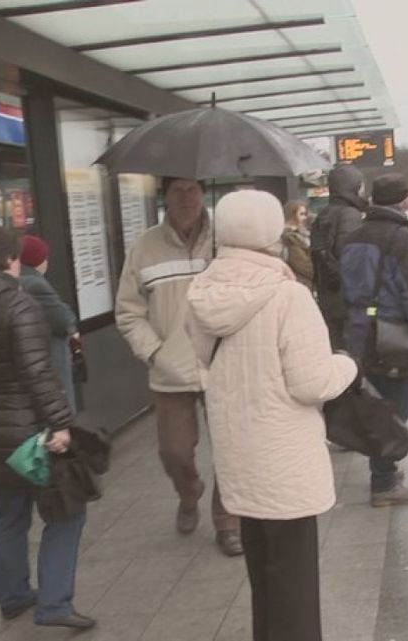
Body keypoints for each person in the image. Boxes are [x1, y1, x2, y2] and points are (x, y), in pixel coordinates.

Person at [186, 190, 357, 641]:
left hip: (239, 455)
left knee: (265, 579)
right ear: (269, 233)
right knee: (296, 589)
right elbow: (312, 384)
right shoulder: (288, 297)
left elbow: (205, 358)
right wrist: (347, 362)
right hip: (284, 462)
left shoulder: (202, 291)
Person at [0, 227, 93, 630]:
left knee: (9, 515)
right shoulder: (17, 304)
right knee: (66, 512)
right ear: (12, 260)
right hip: (27, 427)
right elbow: (37, 371)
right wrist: (60, 423)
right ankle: (55, 603)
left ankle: (12, 596)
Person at [115, 176, 241, 556]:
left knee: (231, 450)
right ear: (165, 196)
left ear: (204, 194)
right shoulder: (144, 247)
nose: (186, 198)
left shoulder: (226, 241)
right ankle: (189, 493)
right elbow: (128, 312)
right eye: (177, 190)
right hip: (171, 372)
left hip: (222, 366)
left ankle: (228, 522)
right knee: (174, 451)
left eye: (193, 190)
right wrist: (155, 353)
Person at [340, 174, 408, 507]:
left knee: (373, 403)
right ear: (404, 200)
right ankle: (383, 481)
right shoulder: (403, 240)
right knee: (394, 410)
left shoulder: (353, 238)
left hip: (358, 335)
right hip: (391, 338)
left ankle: (384, 470)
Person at [19, 234, 79, 411]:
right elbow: (64, 319)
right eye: (45, 257)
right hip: (49, 361)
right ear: (37, 261)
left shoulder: (15, 282)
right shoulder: (36, 284)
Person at [311, 164, 367, 349]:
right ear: (352, 187)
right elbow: (353, 260)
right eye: (360, 186)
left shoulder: (323, 215)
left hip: (328, 297)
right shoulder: (350, 215)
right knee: (353, 357)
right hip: (348, 300)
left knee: (336, 349)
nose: (363, 190)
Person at [282, 200, 315, 291]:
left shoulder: (303, 235)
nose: (305, 217)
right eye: (301, 214)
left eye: (305, 214)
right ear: (291, 215)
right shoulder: (289, 238)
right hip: (300, 283)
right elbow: (303, 265)